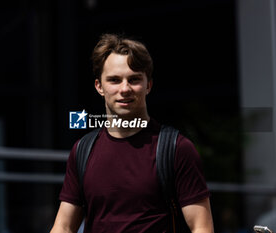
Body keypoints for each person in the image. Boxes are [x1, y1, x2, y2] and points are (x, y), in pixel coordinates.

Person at [50, 33, 214, 233]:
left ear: (148, 85)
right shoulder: (83, 151)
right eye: (114, 80)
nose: (125, 89)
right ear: (99, 86)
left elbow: (201, 227)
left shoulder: (176, 149)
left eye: (134, 79)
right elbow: (64, 227)